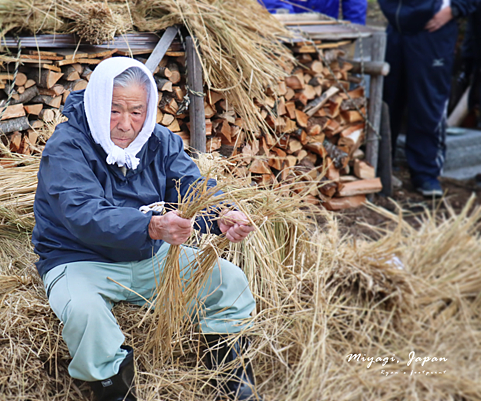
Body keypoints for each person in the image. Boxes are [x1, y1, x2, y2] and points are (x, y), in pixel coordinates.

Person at [32, 57, 261, 401]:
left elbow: (190, 186)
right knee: (85, 315)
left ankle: (233, 390)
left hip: (148, 256)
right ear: (96, 103)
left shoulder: (159, 140)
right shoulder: (68, 146)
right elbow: (84, 214)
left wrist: (221, 213)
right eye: (114, 110)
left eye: (136, 111)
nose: (126, 124)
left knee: (230, 284)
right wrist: (152, 226)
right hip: (79, 259)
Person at [379, 0, 480, 196]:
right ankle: (382, 165)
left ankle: (425, 173)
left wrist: (454, 9)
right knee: (388, 100)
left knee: (427, 102)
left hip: (433, 31)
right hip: (395, 28)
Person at [259, 0, 367, 25]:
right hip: (283, 28)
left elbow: (356, 3)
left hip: (327, 28)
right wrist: (288, 21)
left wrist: (354, 25)